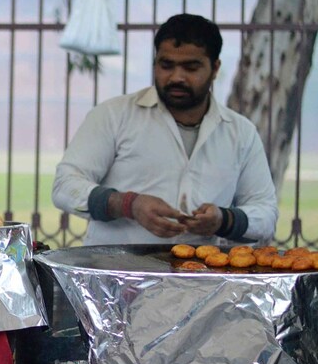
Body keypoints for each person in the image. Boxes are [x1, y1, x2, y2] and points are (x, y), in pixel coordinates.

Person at [51, 13, 278, 246]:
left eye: (191, 67)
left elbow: (266, 214)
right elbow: (65, 186)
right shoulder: (114, 115)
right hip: (114, 274)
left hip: (199, 276)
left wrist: (224, 220)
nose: (176, 77)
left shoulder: (239, 132)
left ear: (215, 68)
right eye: (166, 65)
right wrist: (129, 205)